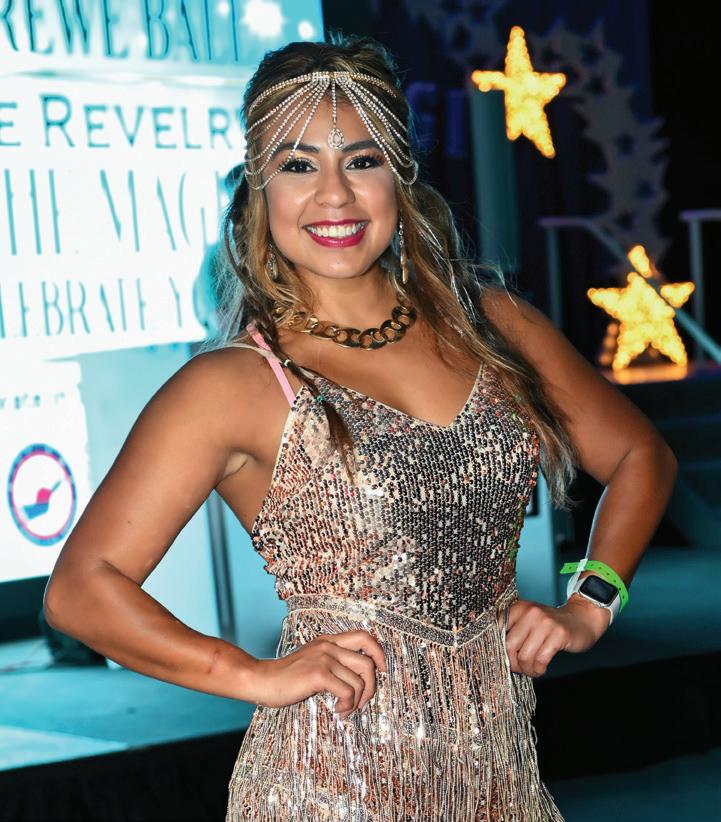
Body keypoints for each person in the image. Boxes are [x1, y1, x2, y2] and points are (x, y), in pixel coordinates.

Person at [43, 32, 678, 822]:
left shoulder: (493, 326)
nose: (334, 195)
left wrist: (589, 603)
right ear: (258, 189)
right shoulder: (233, 383)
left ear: (399, 175)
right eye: (297, 165)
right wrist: (250, 674)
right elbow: (81, 589)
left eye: (362, 160)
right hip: (326, 789)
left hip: (500, 783)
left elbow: (640, 454)